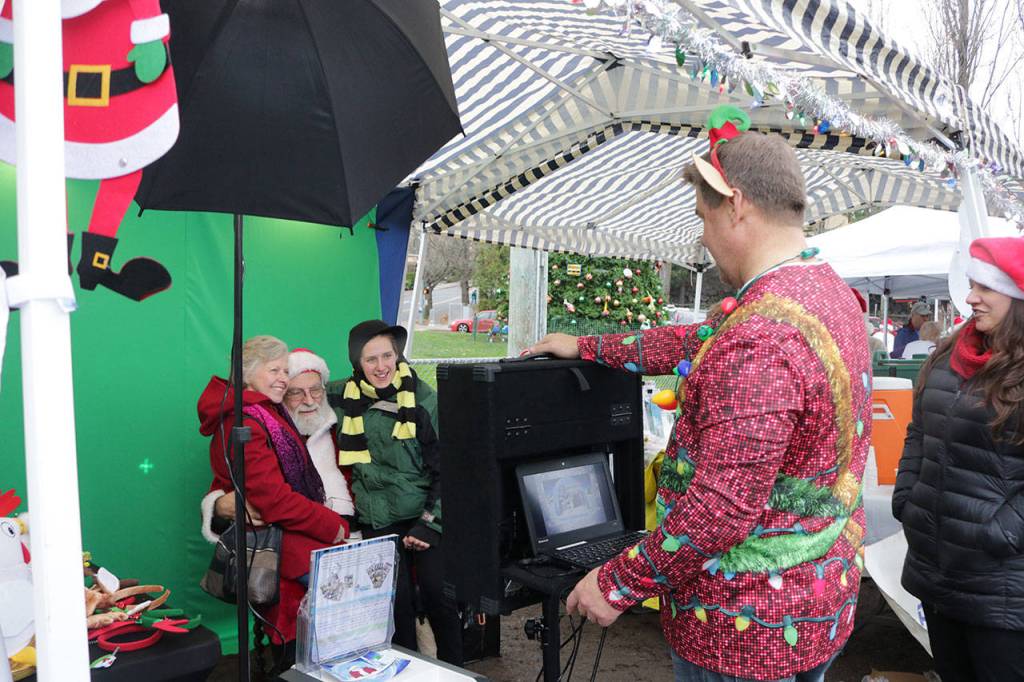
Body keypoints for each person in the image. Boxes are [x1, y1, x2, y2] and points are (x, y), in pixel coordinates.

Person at [529, 105, 870, 682]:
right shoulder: (826, 293)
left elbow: (721, 508)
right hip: (818, 601)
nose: (703, 237)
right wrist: (587, 346)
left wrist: (615, 583)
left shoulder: (761, 336)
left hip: (745, 628)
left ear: (734, 203)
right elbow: (699, 338)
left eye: (702, 218)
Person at [893, 236, 1024, 682]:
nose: (970, 297)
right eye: (972, 284)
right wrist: (908, 498)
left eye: (985, 287)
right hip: (937, 567)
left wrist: (999, 533)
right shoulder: (951, 353)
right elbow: (919, 430)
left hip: (1002, 583)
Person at [197, 336, 352, 649]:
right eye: (274, 370)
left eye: (285, 371)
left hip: (294, 536)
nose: (283, 378)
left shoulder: (268, 413)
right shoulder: (247, 422)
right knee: (339, 614)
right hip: (281, 545)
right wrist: (332, 525)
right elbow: (274, 500)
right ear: (249, 372)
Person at [326, 320, 463, 666]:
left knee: (437, 592)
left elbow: (449, 470)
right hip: (377, 517)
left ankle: (454, 669)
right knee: (392, 601)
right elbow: (301, 393)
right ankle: (407, 670)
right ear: (357, 362)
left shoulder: (422, 399)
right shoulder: (341, 396)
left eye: (387, 355)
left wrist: (430, 524)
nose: (381, 366)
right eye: (371, 359)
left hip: (424, 515)